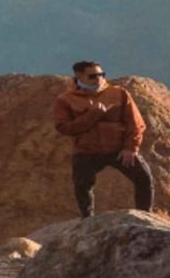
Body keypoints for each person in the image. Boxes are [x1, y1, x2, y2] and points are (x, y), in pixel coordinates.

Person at [52, 60, 152, 218]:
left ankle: (146, 216)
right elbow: (65, 128)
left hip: (118, 149)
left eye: (101, 74)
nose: (98, 78)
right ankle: (87, 219)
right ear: (79, 77)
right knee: (82, 186)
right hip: (87, 150)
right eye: (92, 76)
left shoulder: (119, 94)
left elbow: (136, 123)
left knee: (144, 177)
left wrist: (130, 148)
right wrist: (92, 115)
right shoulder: (66, 100)